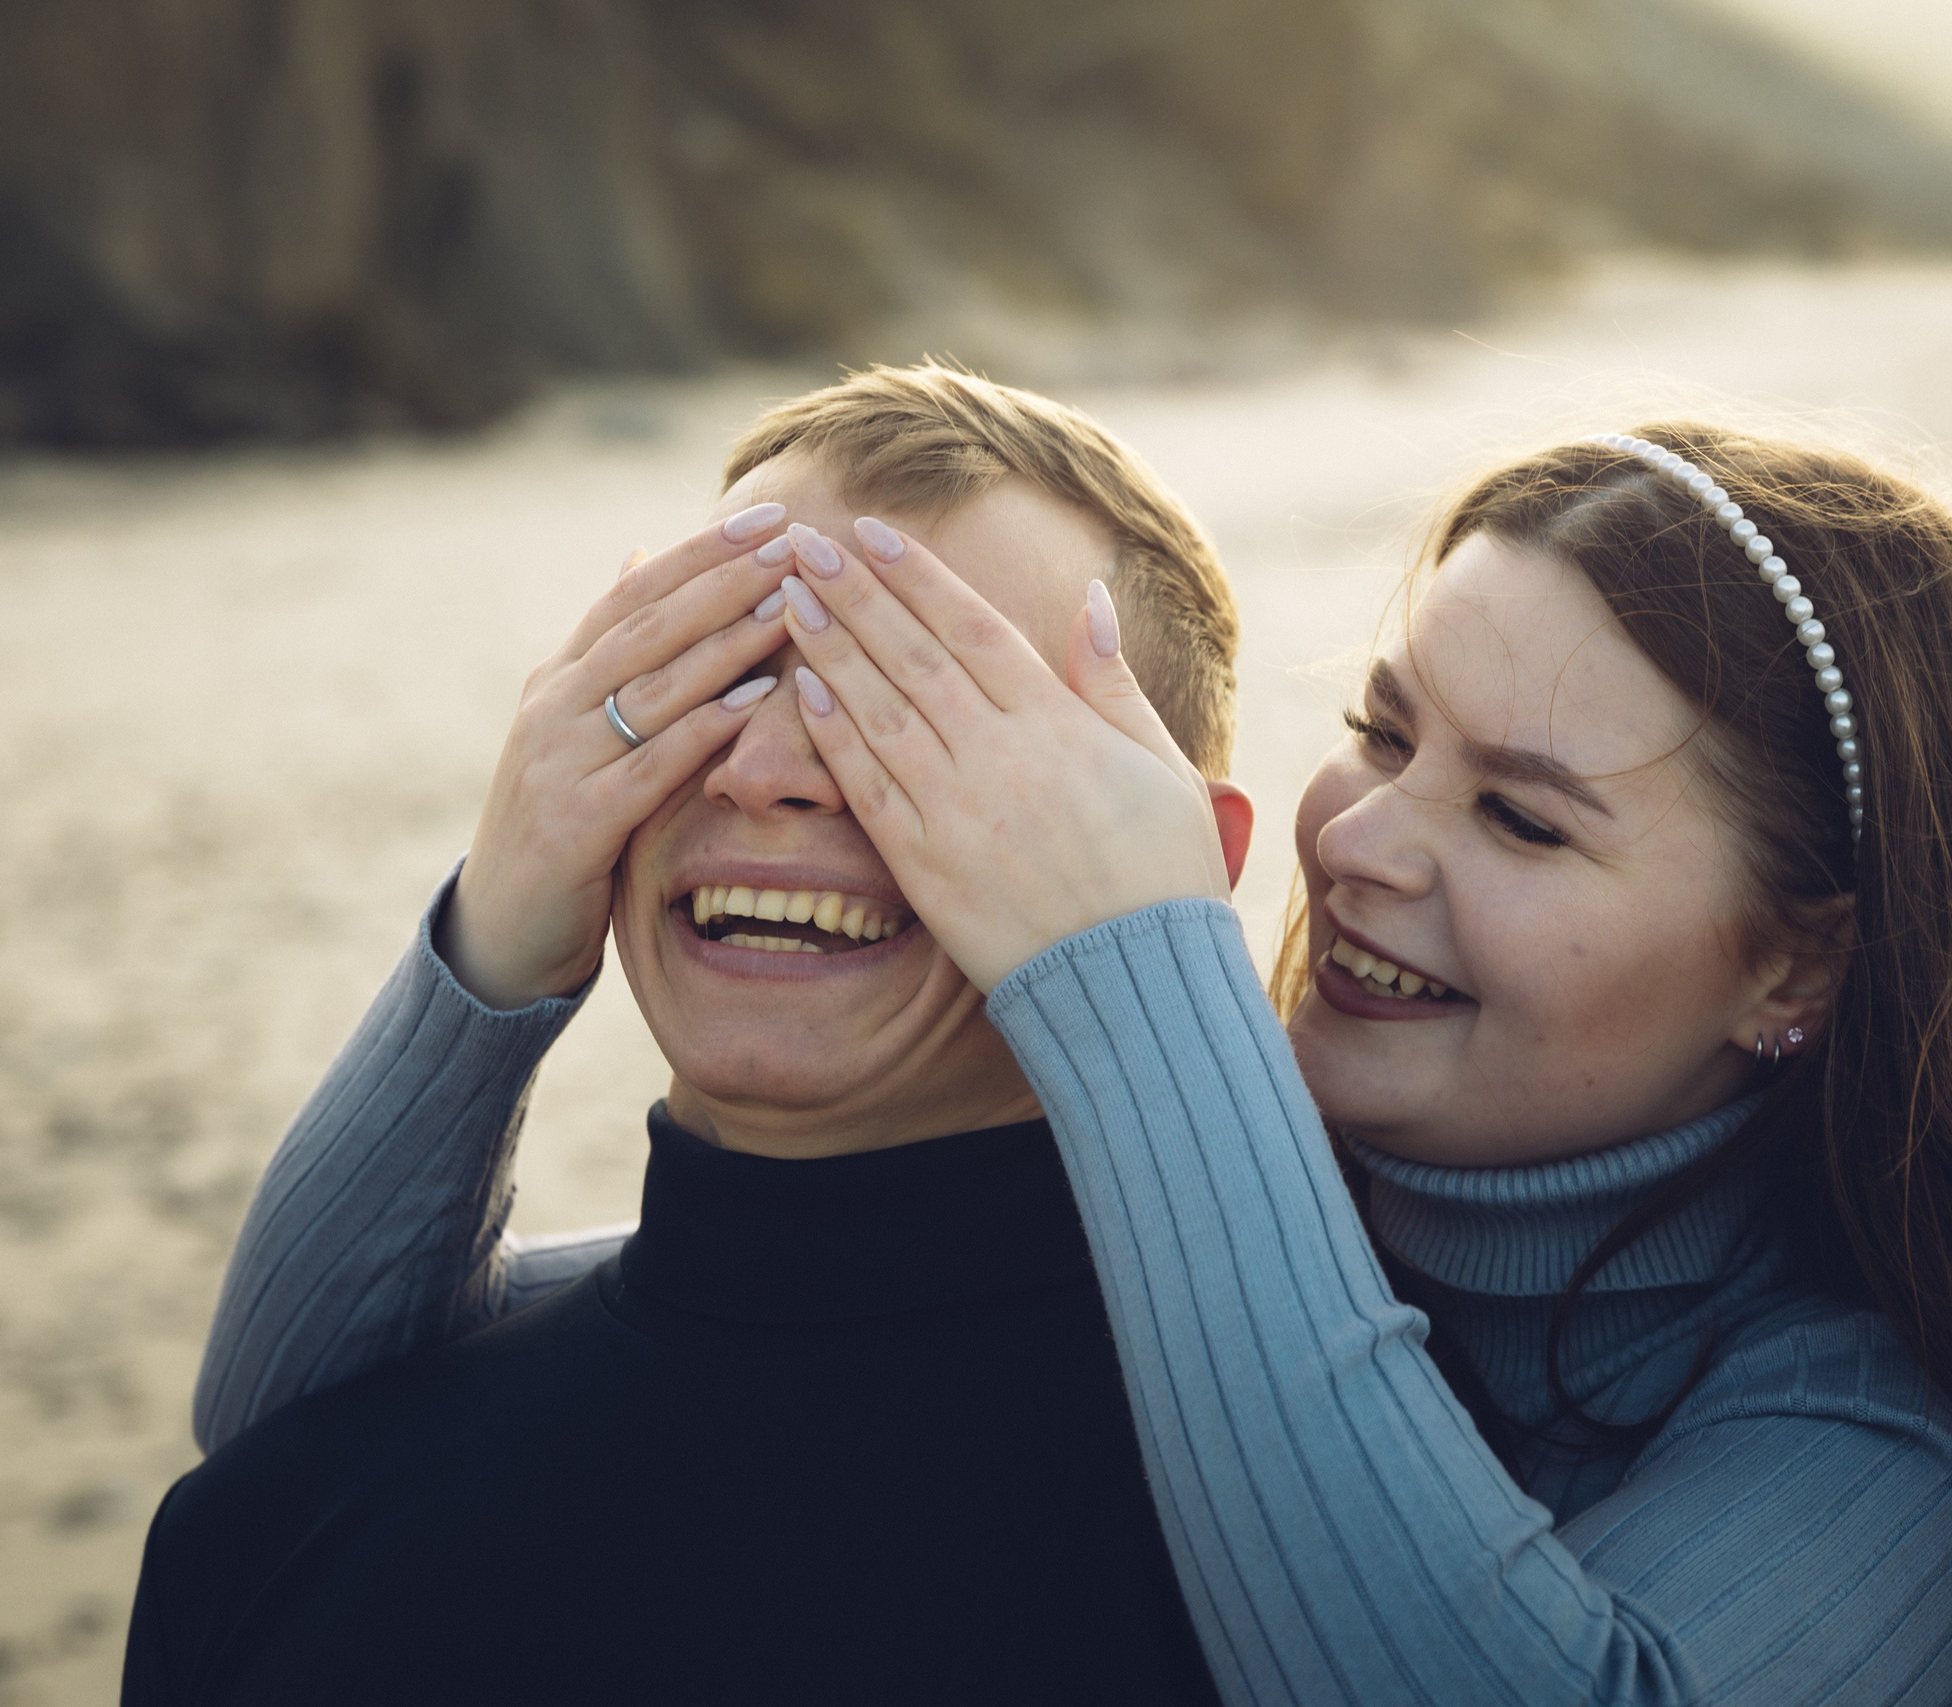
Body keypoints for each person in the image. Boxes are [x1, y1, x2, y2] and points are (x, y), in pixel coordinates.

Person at [188, 422, 1952, 1703]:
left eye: (1522, 817)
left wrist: (1135, 969)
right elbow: (310, 1432)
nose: (1363, 841)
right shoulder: (1216, 1218)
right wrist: (501, 930)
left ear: (1794, 963)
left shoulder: (1890, 1455)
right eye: (1381, 730)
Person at [121, 365, 1253, 1706]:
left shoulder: (1299, 1556)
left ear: (1187, 855)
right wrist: (496, 926)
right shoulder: (257, 1541)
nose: (760, 770)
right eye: (711, 673)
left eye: (918, 701)